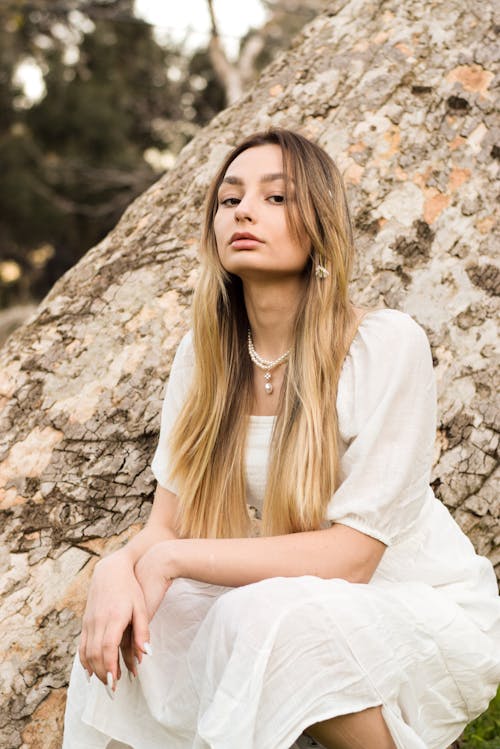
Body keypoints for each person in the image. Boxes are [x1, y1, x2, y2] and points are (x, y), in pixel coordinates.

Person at [62, 128, 500, 749]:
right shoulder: (205, 356)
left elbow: (353, 559)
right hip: (287, 599)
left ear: (319, 221)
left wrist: (169, 560)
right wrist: (116, 570)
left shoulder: (383, 344)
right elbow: (168, 524)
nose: (243, 210)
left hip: (411, 607)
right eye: (229, 199)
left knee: (254, 611)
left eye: (276, 198)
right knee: (143, 623)